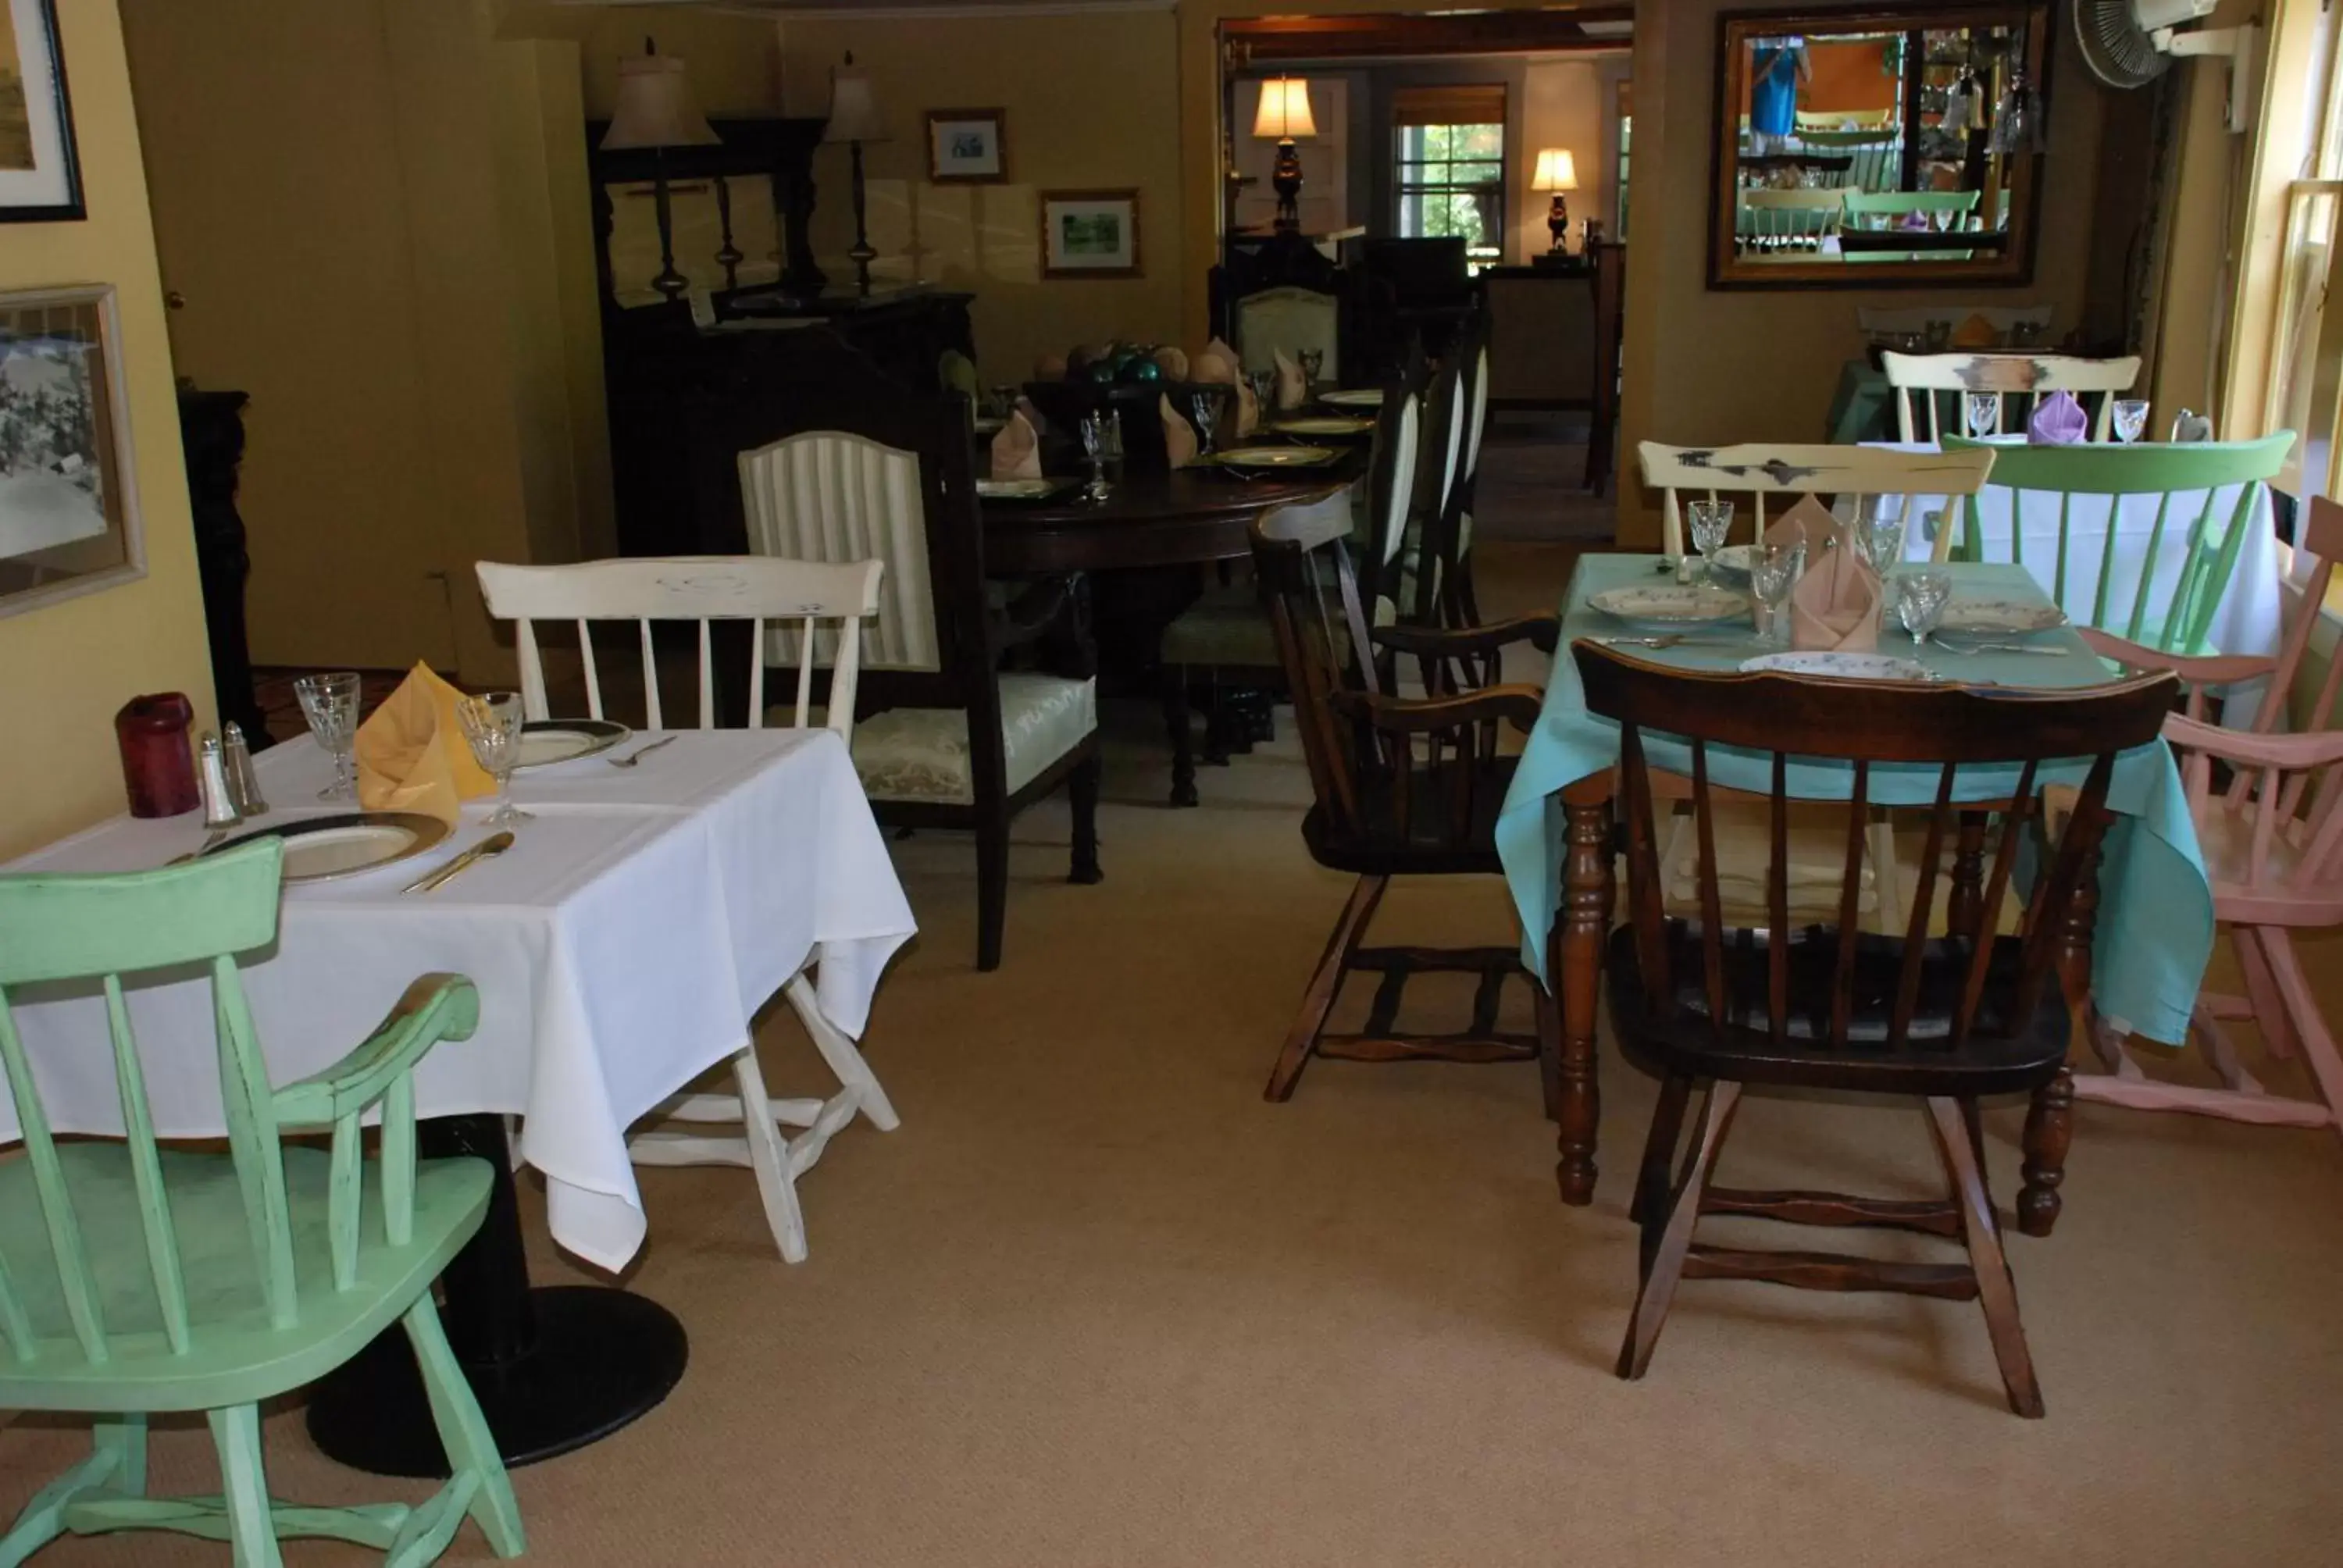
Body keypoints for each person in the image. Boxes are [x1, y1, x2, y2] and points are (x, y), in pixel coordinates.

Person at [1747, 36, 1812, 156]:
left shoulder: (1795, 40)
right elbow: (1754, 81)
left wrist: (1797, 49)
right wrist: (1776, 54)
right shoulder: (1760, 40)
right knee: (1754, 171)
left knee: (1777, 172)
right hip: (1759, 120)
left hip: (1783, 121)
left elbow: (1807, 77)